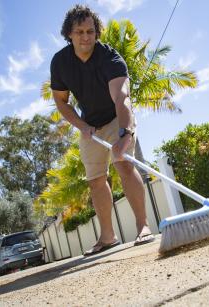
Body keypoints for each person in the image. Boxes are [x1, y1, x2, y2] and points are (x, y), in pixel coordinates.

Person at [50, 4, 154, 256]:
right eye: (79, 32)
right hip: (90, 126)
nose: (85, 37)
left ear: (97, 32)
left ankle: (144, 227)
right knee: (96, 180)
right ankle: (107, 237)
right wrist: (83, 126)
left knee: (124, 164)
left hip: (117, 118)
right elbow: (61, 101)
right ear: (69, 34)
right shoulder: (61, 62)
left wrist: (125, 133)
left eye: (90, 31)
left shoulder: (110, 58)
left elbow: (122, 98)